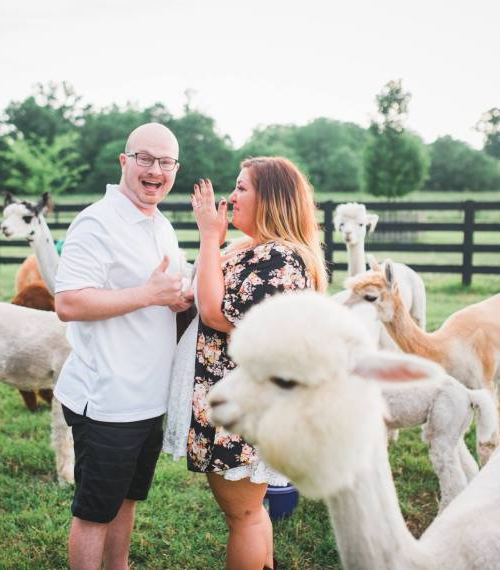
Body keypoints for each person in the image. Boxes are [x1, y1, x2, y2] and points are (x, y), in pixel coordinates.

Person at [54, 122, 193, 570]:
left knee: (127, 501)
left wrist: (178, 298)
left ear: (175, 169)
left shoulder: (162, 224)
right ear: (124, 162)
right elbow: (69, 302)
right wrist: (148, 295)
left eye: (165, 162)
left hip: (148, 399)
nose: (155, 170)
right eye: (145, 159)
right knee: (95, 512)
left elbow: (163, 295)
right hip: (108, 398)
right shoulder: (97, 222)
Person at [188, 157, 328, 570]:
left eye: (241, 188)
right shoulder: (253, 249)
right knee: (252, 512)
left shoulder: (280, 261)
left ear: (271, 199)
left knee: (244, 516)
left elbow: (216, 314)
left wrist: (209, 238)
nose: (230, 198)